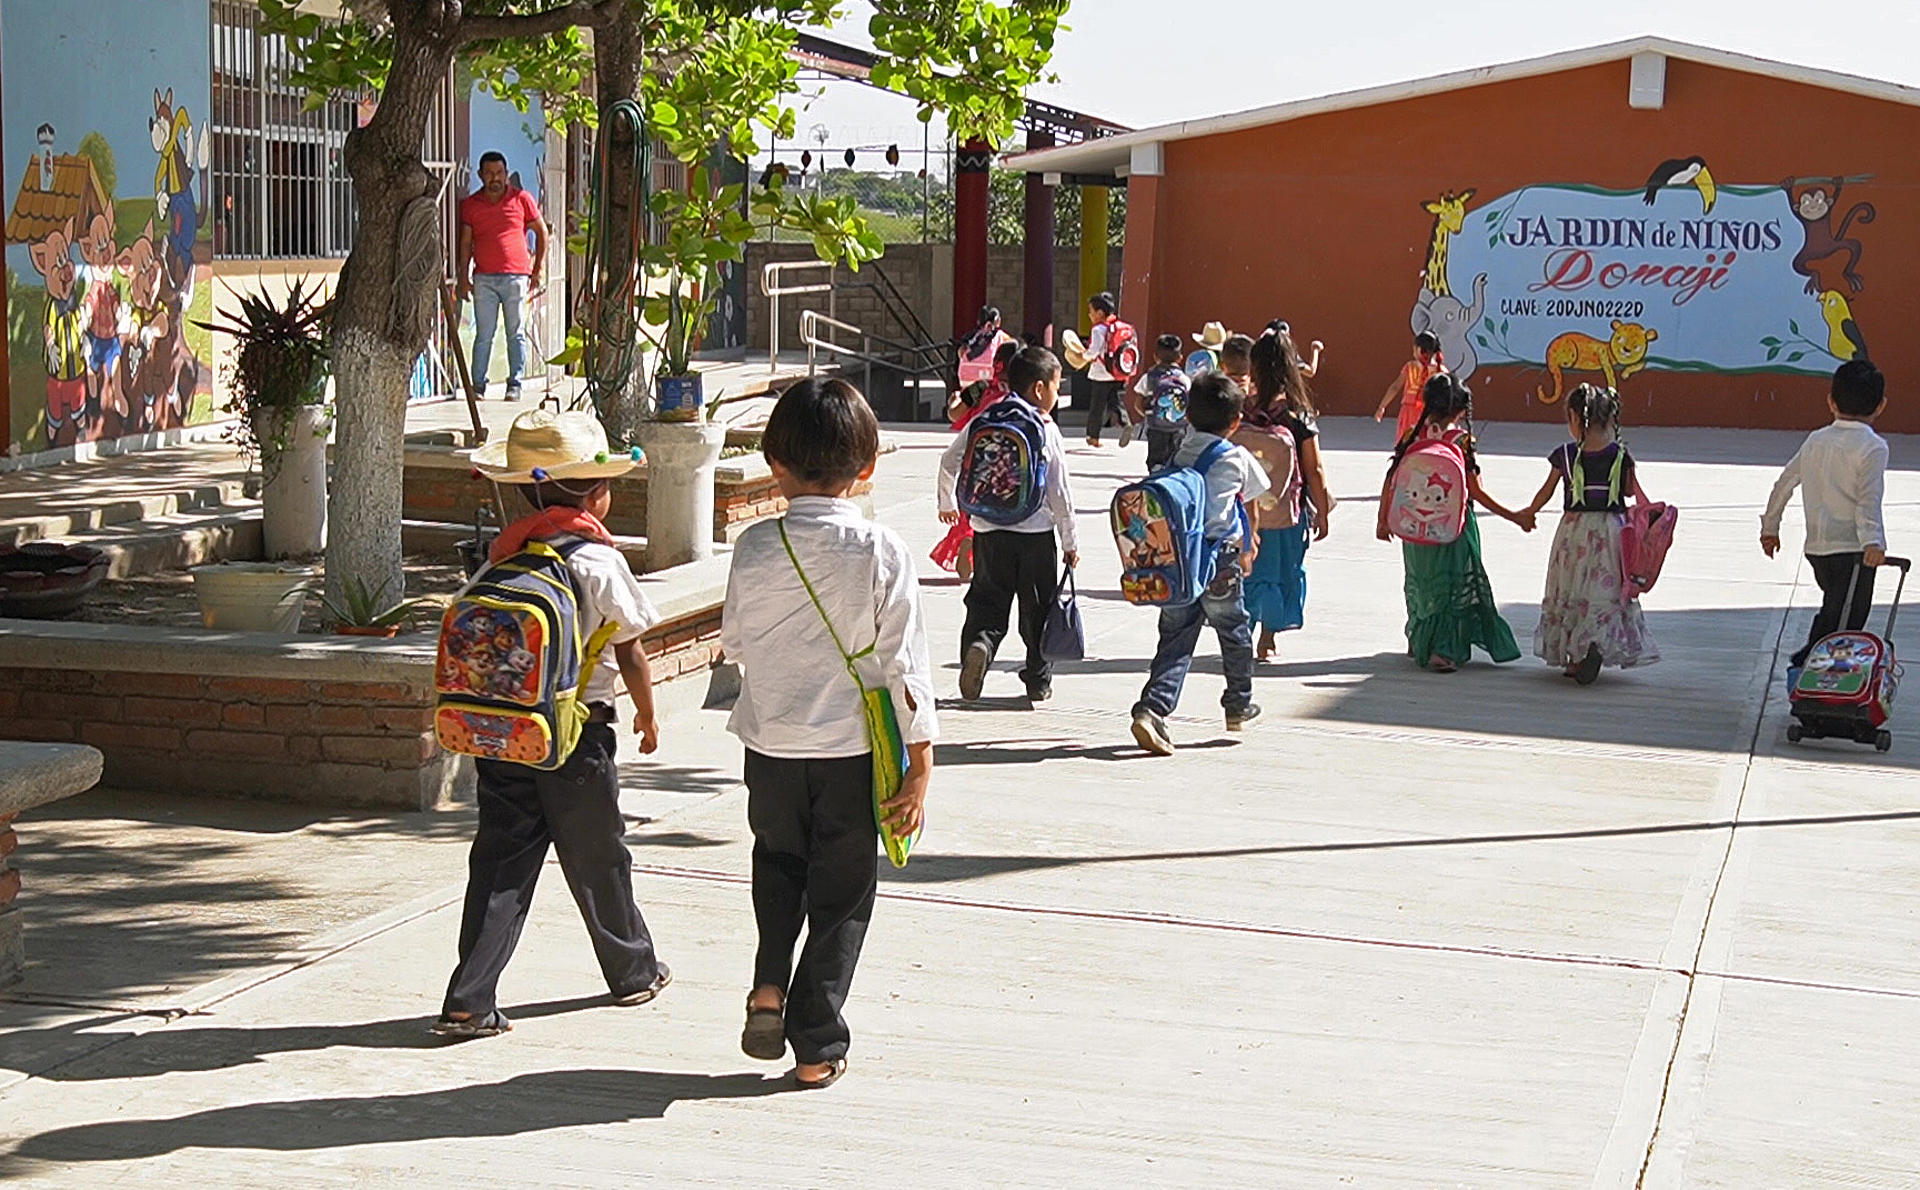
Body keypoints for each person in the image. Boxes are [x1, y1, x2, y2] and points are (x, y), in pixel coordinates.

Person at [724, 377, 938, 1091]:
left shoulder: (753, 547)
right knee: (842, 893)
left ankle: (765, 985)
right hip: (851, 751)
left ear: (774, 464)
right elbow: (903, 664)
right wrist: (922, 760)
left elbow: (736, 644)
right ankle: (816, 1044)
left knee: (777, 864)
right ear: (867, 465)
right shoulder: (882, 552)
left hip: (770, 743)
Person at [436, 409, 669, 1040]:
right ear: (597, 493)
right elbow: (630, 646)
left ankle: (469, 998)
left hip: (506, 734)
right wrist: (647, 711)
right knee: (598, 855)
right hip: (578, 735)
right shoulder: (596, 560)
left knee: (501, 860)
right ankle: (633, 971)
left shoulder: (500, 557)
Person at [1129, 372, 1268, 756]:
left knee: (1175, 638)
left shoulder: (1181, 449)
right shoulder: (1237, 457)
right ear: (1236, 422)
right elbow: (1252, 501)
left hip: (1178, 560)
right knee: (1234, 630)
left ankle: (1152, 708)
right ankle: (1238, 703)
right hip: (1220, 559)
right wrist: (1250, 545)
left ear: (1187, 415)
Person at [940, 346, 1079, 703]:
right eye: (1056, 386)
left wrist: (949, 503)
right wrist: (1070, 541)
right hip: (1035, 534)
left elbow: (949, 459)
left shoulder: (985, 418)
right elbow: (1059, 490)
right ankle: (1038, 679)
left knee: (986, 600)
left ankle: (979, 645)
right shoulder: (1045, 427)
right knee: (1038, 609)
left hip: (989, 530)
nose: (1057, 394)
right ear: (1038, 389)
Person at [1376, 373, 1531, 673]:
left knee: (1421, 582)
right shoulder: (1460, 441)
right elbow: (1475, 490)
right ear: (1460, 411)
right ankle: (1444, 650)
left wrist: (1383, 520)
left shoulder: (1412, 434)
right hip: (1454, 528)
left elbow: (1392, 477)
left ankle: (1420, 638)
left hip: (1414, 526)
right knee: (1451, 586)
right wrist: (1515, 516)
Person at [1521, 384, 1661, 683]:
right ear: (1611, 419)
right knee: (1602, 591)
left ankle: (1575, 656)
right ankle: (1593, 643)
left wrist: (1529, 512)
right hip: (1611, 531)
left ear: (1574, 417)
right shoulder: (1621, 455)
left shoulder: (1566, 455)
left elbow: (1546, 491)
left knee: (1572, 589)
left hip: (1574, 532)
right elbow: (1628, 491)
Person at [1761, 359, 1890, 674]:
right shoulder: (1873, 447)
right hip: (1853, 550)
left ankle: (1821, 675)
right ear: (1881, 406)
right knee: (1848, 619)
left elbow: (1785, 482)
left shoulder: (1816, 440)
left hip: (1818, 549)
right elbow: (1867, 500)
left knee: (1835, 607)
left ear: (1831, 401)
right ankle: (1812, 669)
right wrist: (1873, 542)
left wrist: (1770, 527)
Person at [1243, 327, 1335, 660]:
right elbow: (1315, 470)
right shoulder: (1298, 415)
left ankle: (1242, 633)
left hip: (1245, 514)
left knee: (1249, 571)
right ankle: (1267, 639)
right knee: (1281, 571)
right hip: (1287, 513)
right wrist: (1323, 512)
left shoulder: (1242, 410)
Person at [458, 151, 549, 401]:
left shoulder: (522, 199)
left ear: (506, 174)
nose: (494, 178)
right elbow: (465, 243)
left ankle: (515, 384)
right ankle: (478, 386)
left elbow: (542, 233)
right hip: (484, 278)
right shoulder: (471, 205)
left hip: (516, 277)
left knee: (515, 332)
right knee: (484, 334)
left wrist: (537, 268)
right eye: (489, 173)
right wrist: (463, 277)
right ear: (480, 175)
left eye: (499, 173)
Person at [932, 338, 1021, 580]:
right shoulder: (1023, 397)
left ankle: (968, 541)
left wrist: (953, 402)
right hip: (1009, 472)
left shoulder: (981, 387)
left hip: (974, 467)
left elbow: (954, 414)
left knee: (970, 519)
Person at [1129, 333, 1192, 469]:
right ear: (1180, 358)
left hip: (1156, 427)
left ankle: (1155, 478)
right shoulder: (1184, 379)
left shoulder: (1149, 377)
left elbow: (1137, 404)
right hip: (1178, 428)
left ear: (1155, 356)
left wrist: (1149, 415)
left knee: (1155, 461)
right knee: (1175, 459)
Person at [1084, 292, 1133, 448]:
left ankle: (1093, 437)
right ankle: (1125, 422)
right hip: (1117, 372)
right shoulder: (1117, 327)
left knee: (1097, 407)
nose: (1089, 315)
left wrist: (1083, 355)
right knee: (1114, 402)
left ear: (1099, 313)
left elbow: (1094, 351)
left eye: (1091, 311)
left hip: (1101, 373)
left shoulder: (1098, 329)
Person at [1376, 330, 1445, 441]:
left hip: (1409, 412)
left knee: (1406, 443)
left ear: (1419, 349)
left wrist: (1382, 406)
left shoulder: (1410, 367)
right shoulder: (1441, 371)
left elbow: (1395, 387)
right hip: (1430, 414)